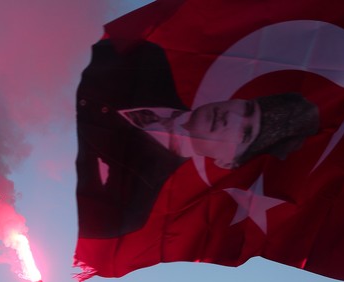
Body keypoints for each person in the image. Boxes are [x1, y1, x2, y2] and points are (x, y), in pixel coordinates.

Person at [77, 37, 319, 239]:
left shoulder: (128, 209)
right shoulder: (147, 60)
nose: (231, 118)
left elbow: (66, 211)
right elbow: (68, 47)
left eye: (245, 133)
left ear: (229, 163)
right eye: (246, 109)